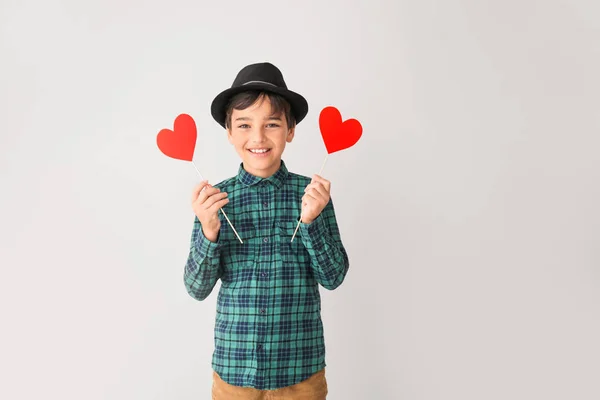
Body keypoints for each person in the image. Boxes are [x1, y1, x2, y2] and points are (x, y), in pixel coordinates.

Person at [183, 62, 349, 399]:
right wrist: (209, 231)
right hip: (234, 375)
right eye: (244, 125)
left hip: (300, 374)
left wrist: (311, 223)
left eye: (272, 124)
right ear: (229, 133)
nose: (258, 137)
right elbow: (196, 288)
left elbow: (333, 277)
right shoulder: (214, 201)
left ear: (290, 131)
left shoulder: (312, 196)